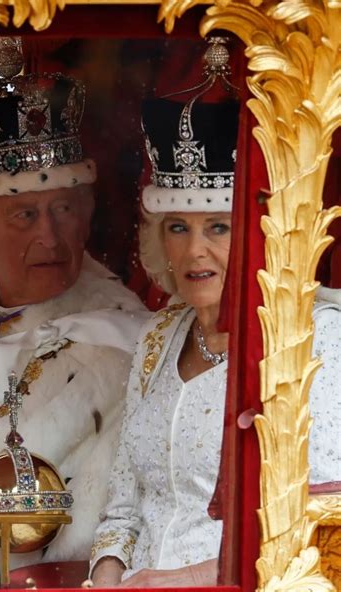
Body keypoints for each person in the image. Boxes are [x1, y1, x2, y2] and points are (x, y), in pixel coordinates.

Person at [90, 96, 341, 587]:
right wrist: (106, 576)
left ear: (259, 233)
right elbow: (122, 512)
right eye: (178, 228)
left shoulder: (315, 337)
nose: (193, 250)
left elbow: (322, 533)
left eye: (218, 227)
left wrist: (174, 581)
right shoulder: (158, 337)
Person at [0, 72, 149, 590]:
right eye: (25, 215)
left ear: (87, 216)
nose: (49, 236)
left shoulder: (128, 342)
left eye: (64, 210)